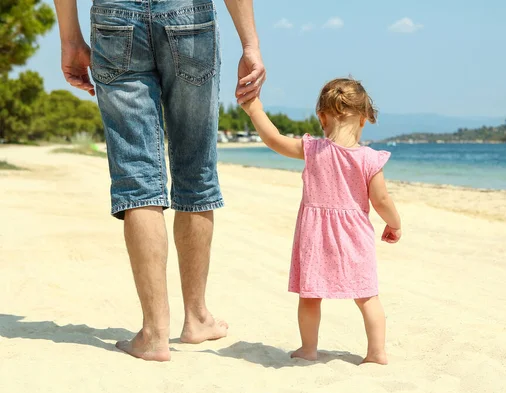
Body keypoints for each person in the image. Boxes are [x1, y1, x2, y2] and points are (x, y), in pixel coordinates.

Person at [53, 0, 265, 361]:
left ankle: (154, 333)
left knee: (136, 175)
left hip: (114, 16)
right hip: (188, 14)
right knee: (196, 167)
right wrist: (250, 44)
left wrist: (70, 37)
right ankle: (197, 318)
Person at [241, 78, 402, 365]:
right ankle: (376, 352)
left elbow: (274, 140)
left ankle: (308, 349)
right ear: (364, 119)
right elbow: (381, 201)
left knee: (311, 296)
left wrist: (255, 110)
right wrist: (395, 223)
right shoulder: (369, 159)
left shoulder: (312, 150)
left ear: (322, 117)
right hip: (355, 236)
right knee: (367, 296)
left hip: (315, 236)